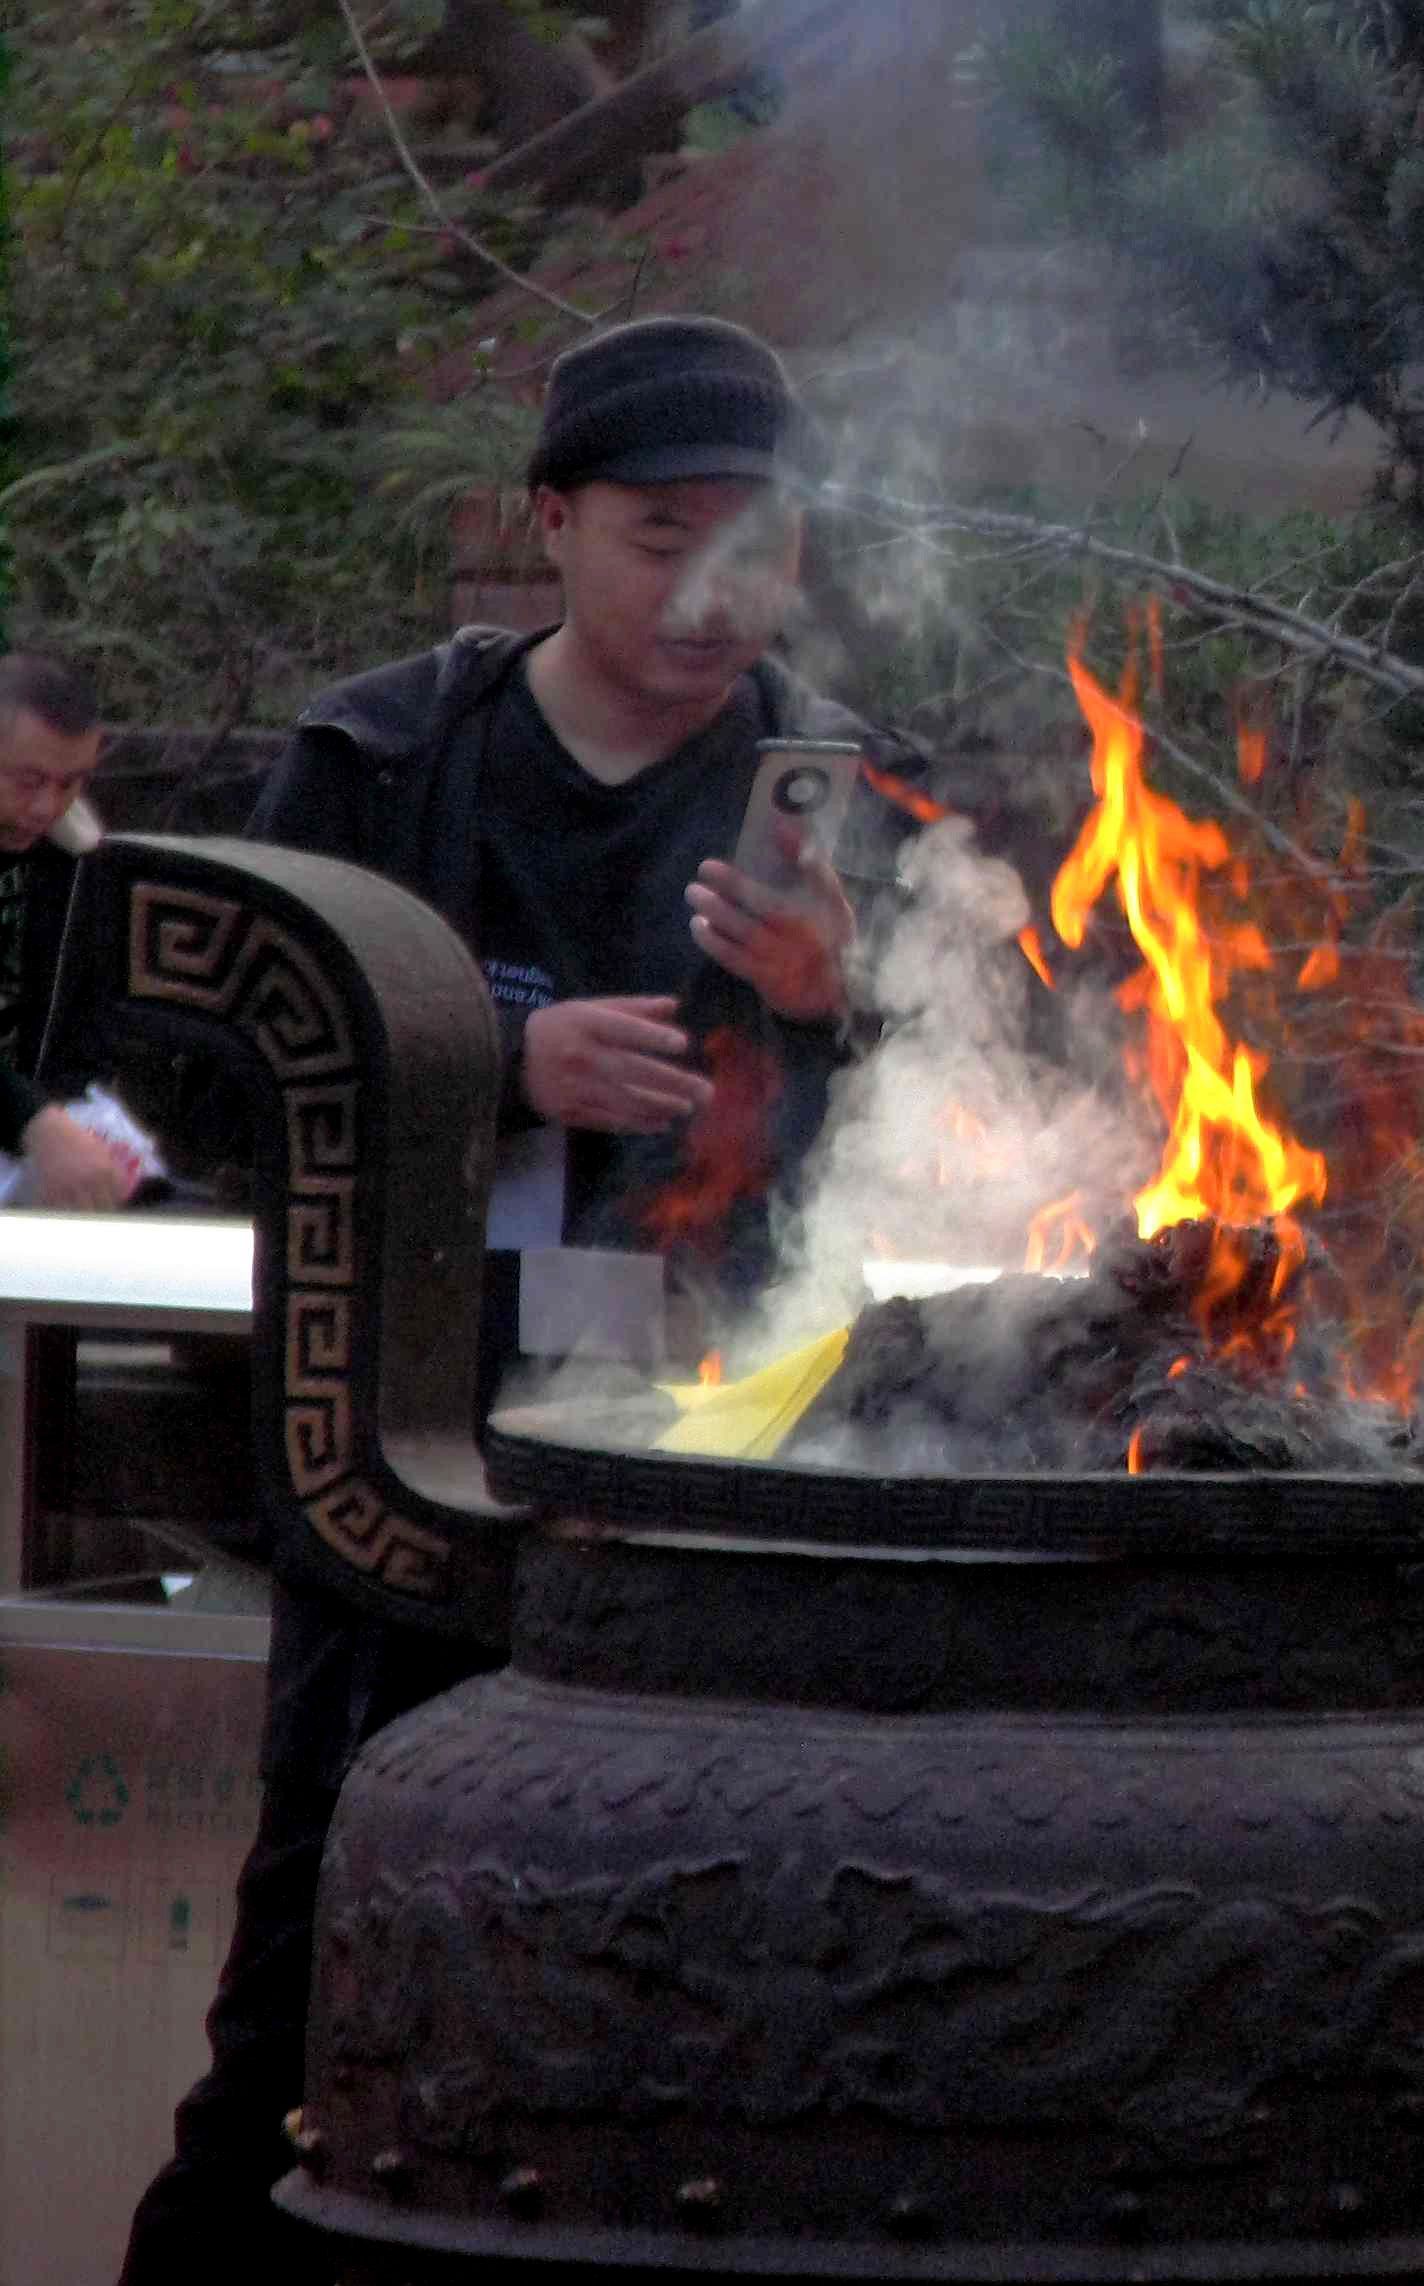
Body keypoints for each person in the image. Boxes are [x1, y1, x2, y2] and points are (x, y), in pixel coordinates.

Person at [121, 312, 914, 2284]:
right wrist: (489, 1065)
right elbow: (193, 1087)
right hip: (407, 1474)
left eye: (758, 543)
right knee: (329, 1977)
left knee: (702, 2001)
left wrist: (841, 1007)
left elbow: (966, 1129)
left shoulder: (829, 793)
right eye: (662, 536)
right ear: (547, 524)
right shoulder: (379, 763)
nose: (714, 592)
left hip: (713, 1492)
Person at [0, 652, 143, 1209]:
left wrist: (73, 1122)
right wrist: (32, 1120)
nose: (46, 807)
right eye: (28, 781)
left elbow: (82, 1025)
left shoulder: (72, 860)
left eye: (70, 784)